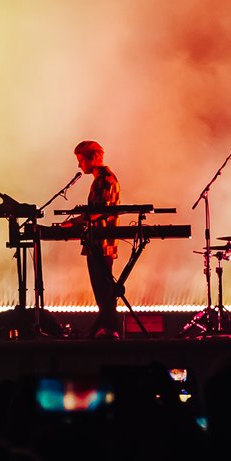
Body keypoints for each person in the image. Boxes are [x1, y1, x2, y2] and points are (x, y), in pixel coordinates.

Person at [74, 139, 124, 337]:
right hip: (99, 241)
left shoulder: (105, 179)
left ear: (92, 158)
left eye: (81, 160)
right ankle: (106, 328)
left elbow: (99, 212)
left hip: (102, 243)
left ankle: (109, 329)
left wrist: (74, 222)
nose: (79, 165)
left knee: (104, 289)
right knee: (103, 290)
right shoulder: (101, 179)